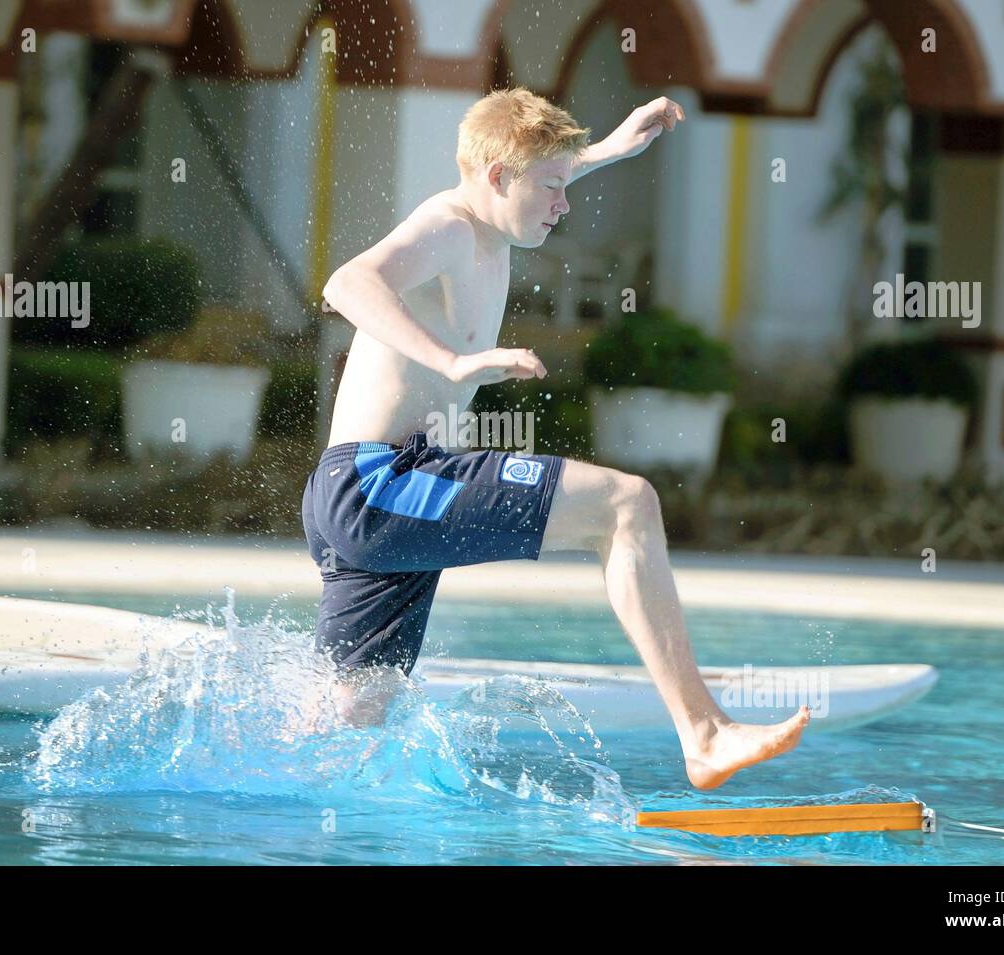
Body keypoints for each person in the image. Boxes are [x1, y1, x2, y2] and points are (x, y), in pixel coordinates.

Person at [303, 87, 809, 790]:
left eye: (565, 183)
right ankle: (707, 733)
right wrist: (449, 361)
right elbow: (347, 281)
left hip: (356, 496)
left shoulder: (493, 221)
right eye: (551, 186)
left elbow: (536, 172)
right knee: (627, 504)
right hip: (382, 482)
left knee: (344, 724)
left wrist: (608, 149)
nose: (563, 204)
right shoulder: (448, 226)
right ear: (497, 176)